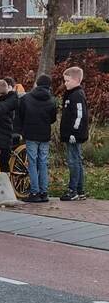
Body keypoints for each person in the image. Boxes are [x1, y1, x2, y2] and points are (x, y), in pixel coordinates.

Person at [17, 74, 58, 203]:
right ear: (49, 86)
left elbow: (21, 115)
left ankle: (34, 192)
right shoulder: (51, 100)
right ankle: (44, 192)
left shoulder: (26, 98)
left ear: (37, 84)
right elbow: (53, 119)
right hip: (44, 135)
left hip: (30, 134)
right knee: (43, 162)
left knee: (32, 163)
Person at [60, 66, 89, 201]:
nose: (65, 83)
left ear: (76, 80)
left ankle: (73, 190)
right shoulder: (71, 94)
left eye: (67, 81)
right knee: (76, 160)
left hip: (74, 135)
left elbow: (79, 115)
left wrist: (73, 132)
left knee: (73, 162)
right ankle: (79, 189)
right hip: (71, 133)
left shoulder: (77, 95)